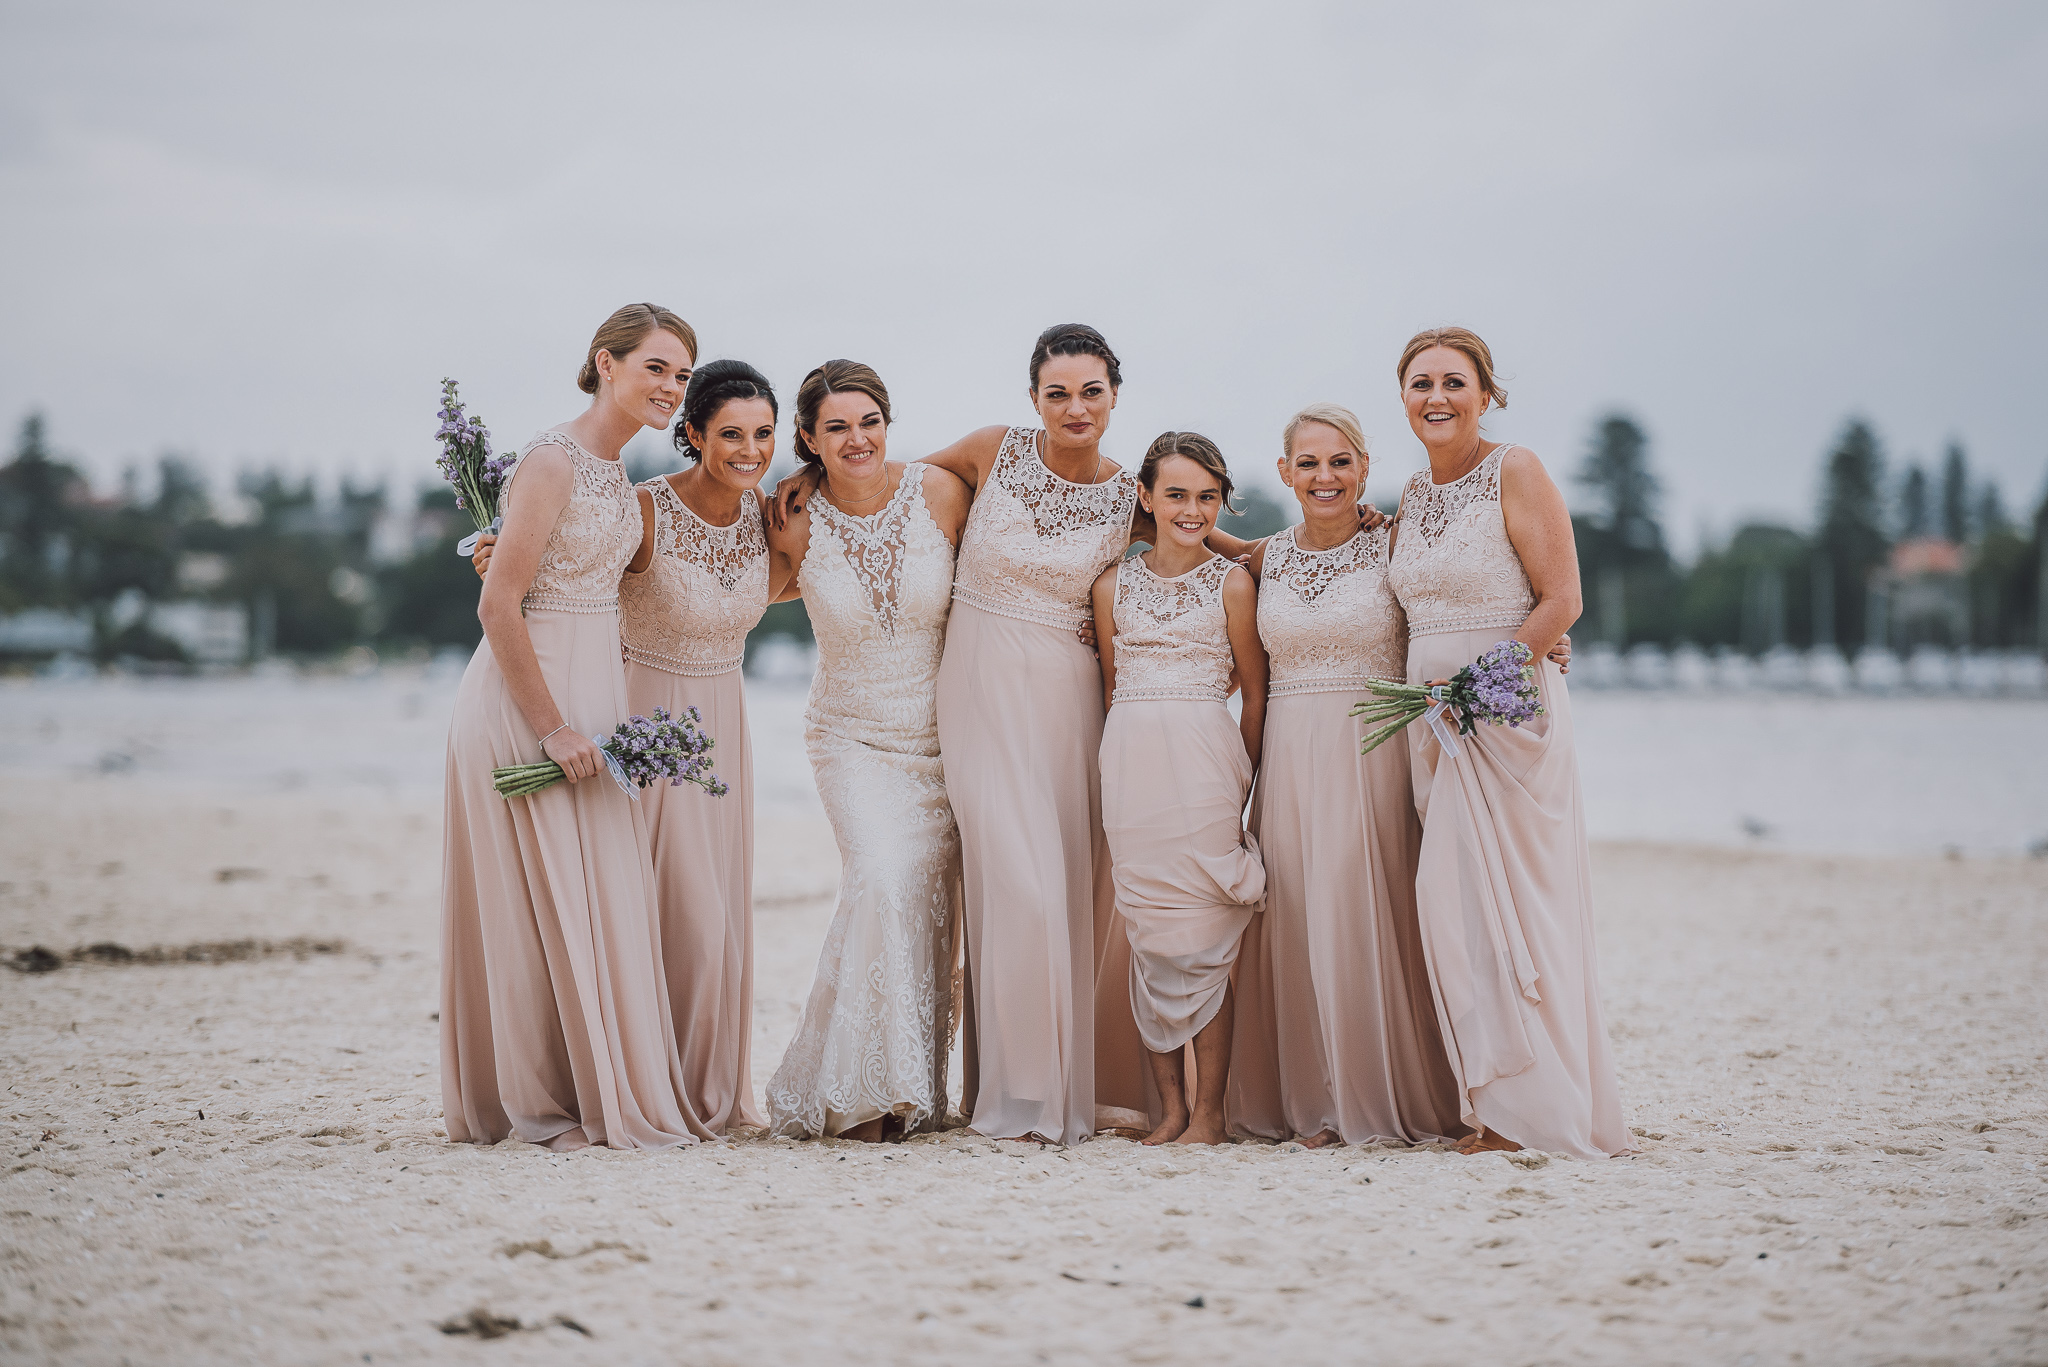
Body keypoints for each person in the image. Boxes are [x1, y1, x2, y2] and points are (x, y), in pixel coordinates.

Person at [472, 359, 801, 1134]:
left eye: (762, 434)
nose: (749, 450)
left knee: (717, 921)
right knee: (674, 920)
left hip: (726, 733)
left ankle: (712, 1095)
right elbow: (566, 573)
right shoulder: (642, 511)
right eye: (729, 434)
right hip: (646, 727)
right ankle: (650, 1090)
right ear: (691, 434)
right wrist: (496, 550)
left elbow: (782, 587)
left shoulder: (770, 520)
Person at [441, 302, 711, 1150]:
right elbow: (499, 601)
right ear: (606, 362)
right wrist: (553, 727)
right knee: (533, 907)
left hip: (596, 698)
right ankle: (538, 1107)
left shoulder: (619, 477)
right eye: (655, 368)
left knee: (590, 898)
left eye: (680, 374)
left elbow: (633, 574)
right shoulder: (552, 460)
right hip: (530, 704)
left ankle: (590, 1088)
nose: (670, 386)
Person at [1384, 326, 1630, 1159]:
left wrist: (1478, 690)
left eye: (1455, 382)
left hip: (1505, 720)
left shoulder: (1514, 470)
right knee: (1454, 911)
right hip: (1432, 726)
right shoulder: (1411, 499)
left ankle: (1527, 1113)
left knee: (1517, 913)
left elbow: (1563, 599)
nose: (1437, 397)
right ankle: (1486, 1099)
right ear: (1404, 399)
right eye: (1421, 384)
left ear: (1485, 395)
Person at [1228, 405, 1465, 1148]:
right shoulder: (1265, 558)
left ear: (1363, 467)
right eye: (1309, 463)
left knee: (1372, 909)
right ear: (1284, 472)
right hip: (1291, 755)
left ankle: (1381, 1092)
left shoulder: (1394, 545)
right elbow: (1188, 542)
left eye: (1339, 462)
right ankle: (1315, 1099)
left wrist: (1544, 644)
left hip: (1374, 749)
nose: (1324, 477)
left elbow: (1463, 600)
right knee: (1296, 913)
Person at [763, 361, 974, 1141]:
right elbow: (725, 583)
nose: (857, 438)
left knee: (924, 901)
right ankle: (856, 1094)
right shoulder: (790, 519)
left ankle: (901, 1091)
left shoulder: (943, 492)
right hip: (849, 736)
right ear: (810, 441)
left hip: (947, 739)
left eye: (870, 421)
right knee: (882, 877)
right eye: (837, 426)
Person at [1091, 432, 1267, 1146]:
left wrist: (1244, 781)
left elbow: (1255, 694)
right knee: (1150, 934)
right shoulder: (1111, 585)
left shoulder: (1234, 583)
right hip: (1131, 765)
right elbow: (1109, 688)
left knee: (1204, 940)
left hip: (1206, 767)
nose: (1191, 510)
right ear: (1145, 497)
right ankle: (1166, 1110)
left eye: (1205, 496)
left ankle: (1211, 1112)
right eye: (1176, 495)